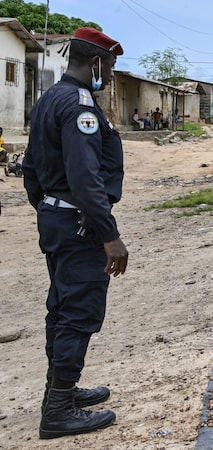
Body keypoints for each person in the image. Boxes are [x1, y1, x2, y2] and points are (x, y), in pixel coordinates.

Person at [22, 27, 129, 440]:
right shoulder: (81, 105)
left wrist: (49, 209)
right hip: (79, 223)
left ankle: (61, 391)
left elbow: (32, 169)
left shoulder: (50, 97)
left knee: (61, 306)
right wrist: (109, 234)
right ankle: (59, 410)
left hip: (58, 218)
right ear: (98, 63)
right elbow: (86, 179)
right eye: (112, 66)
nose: (112, 74)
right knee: (79, 311)